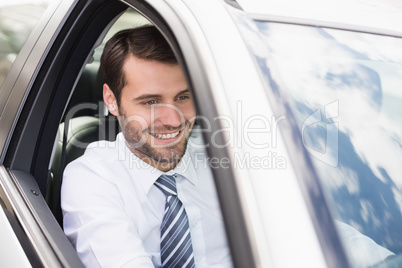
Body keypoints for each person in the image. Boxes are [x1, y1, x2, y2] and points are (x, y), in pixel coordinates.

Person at [61, 25, 232, 267]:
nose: (173, 121)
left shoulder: (227, 165)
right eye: (151, 101)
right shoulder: (91, 178)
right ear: (111, 100)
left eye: (183, 97)